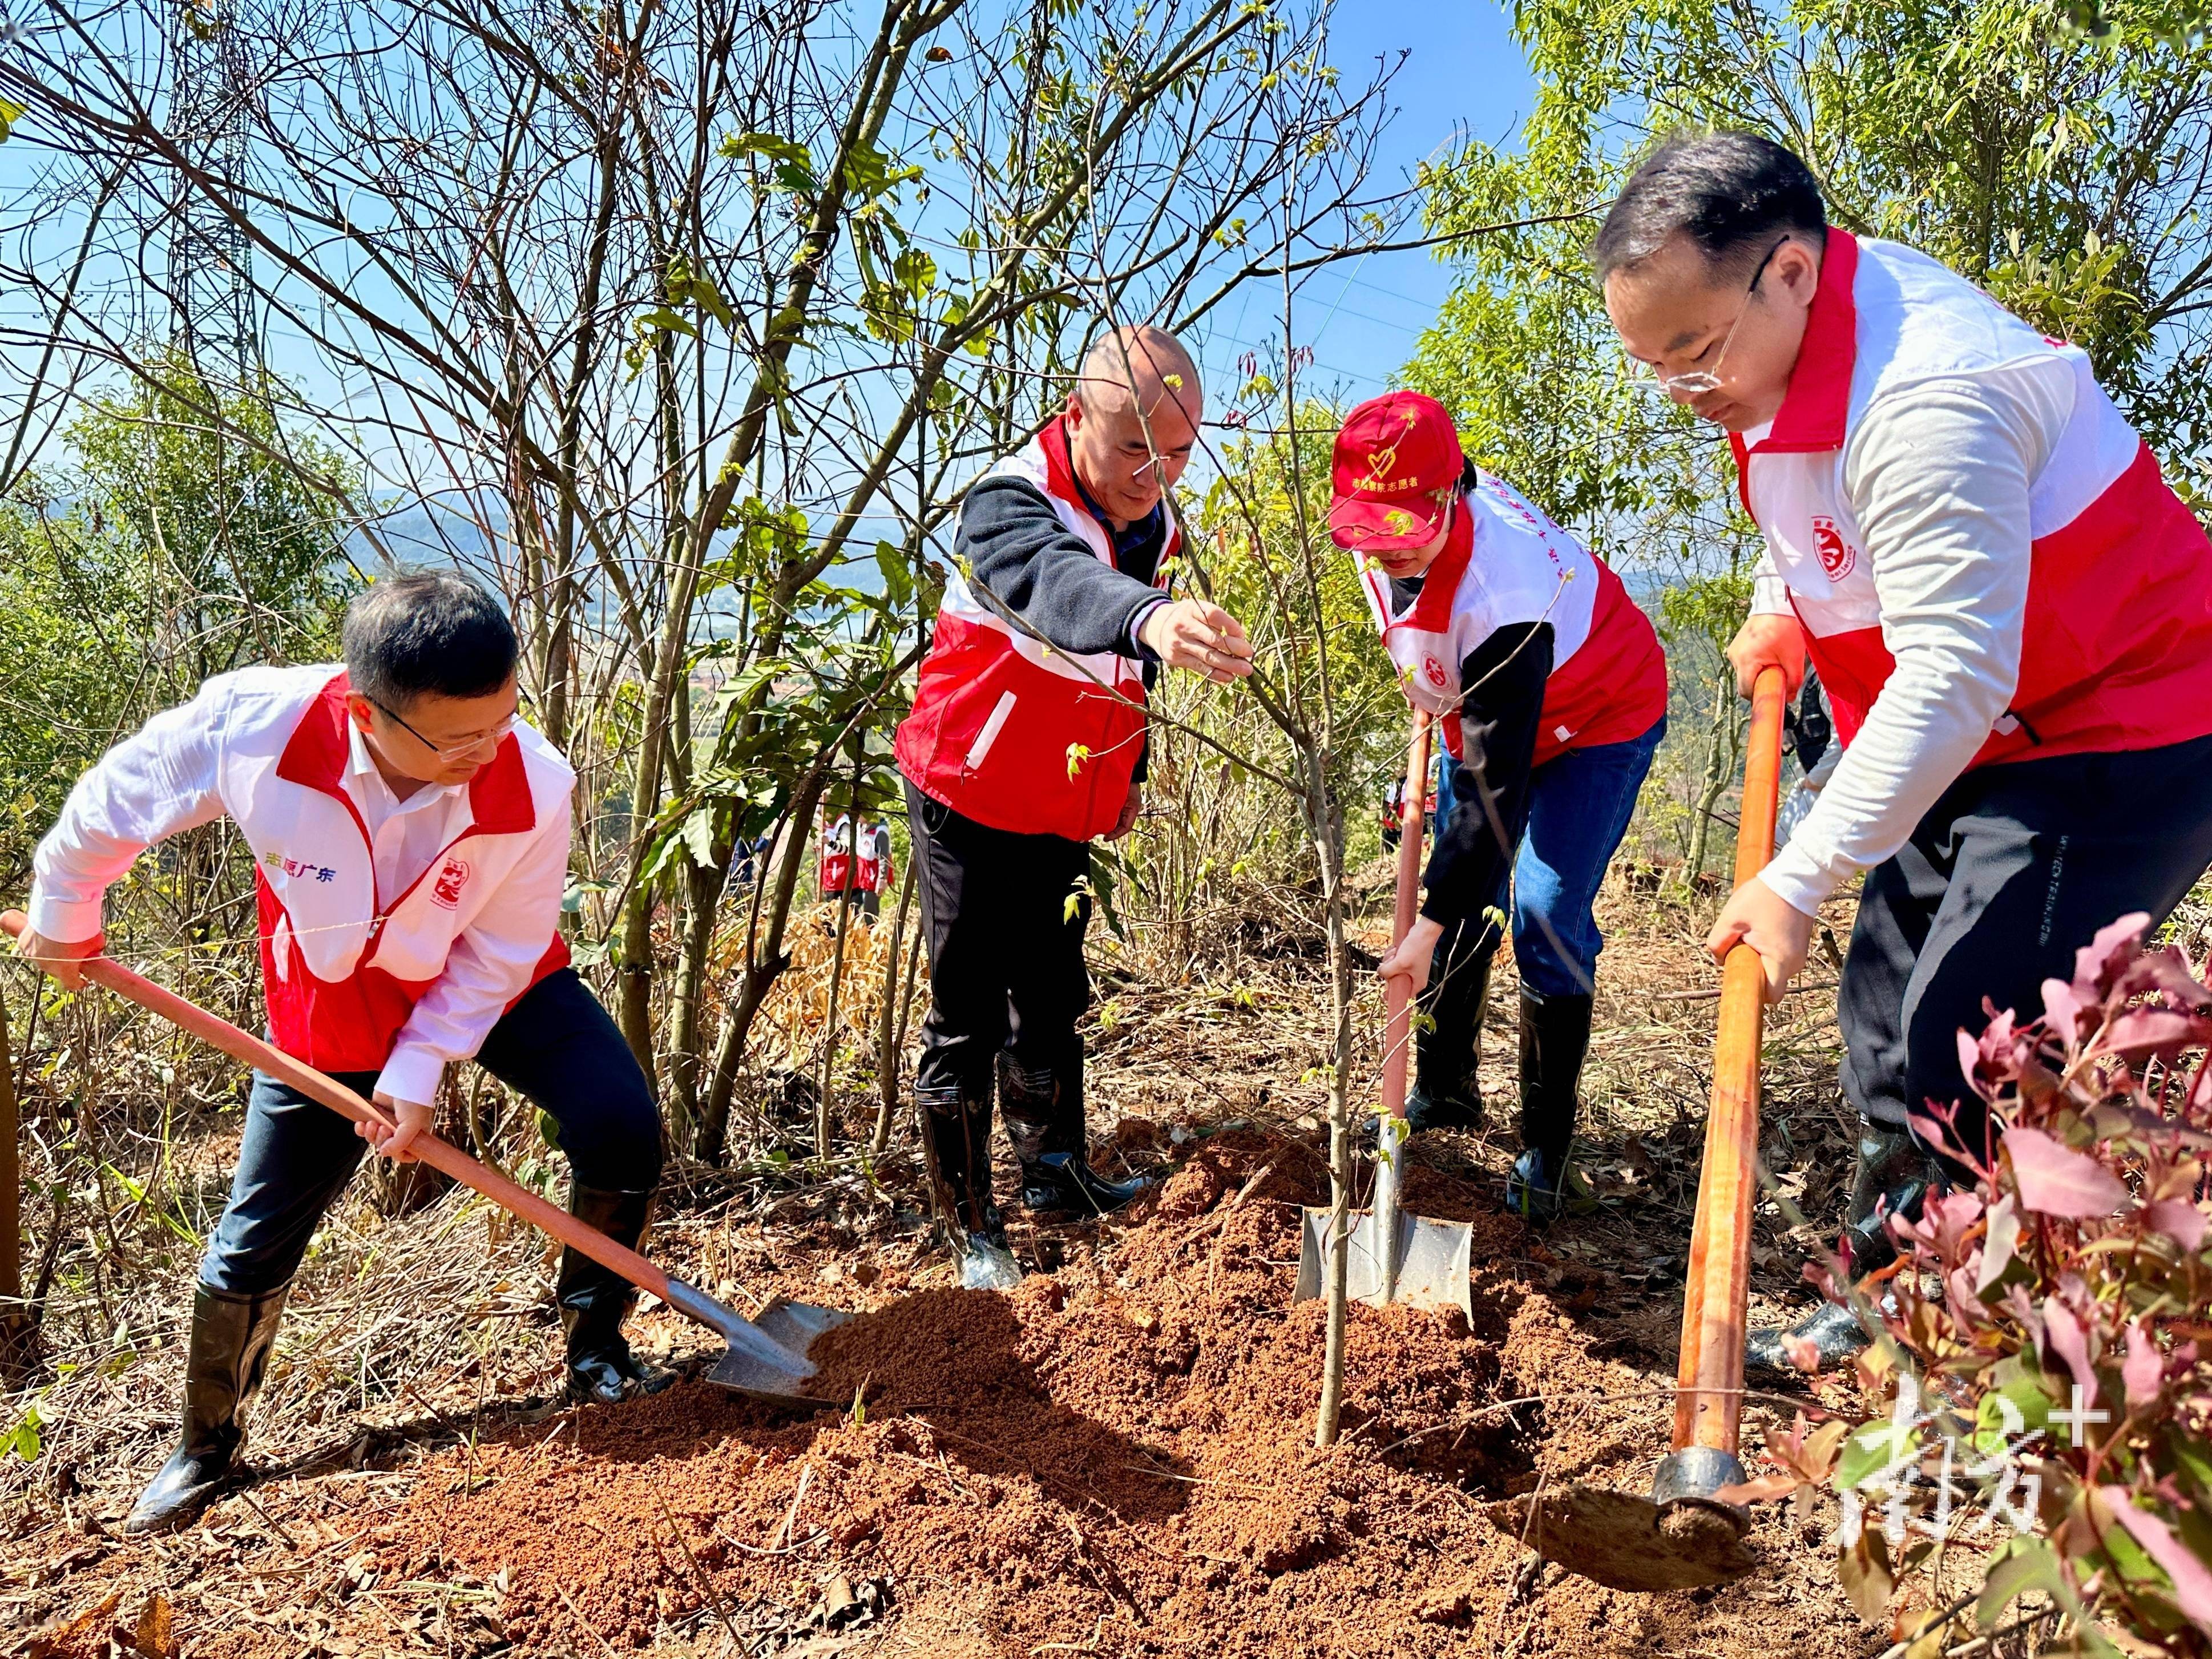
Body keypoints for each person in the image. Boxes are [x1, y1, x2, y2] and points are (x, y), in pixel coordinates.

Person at [1596, 131, 2212, 1370]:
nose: (1685, 387)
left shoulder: (1931, 394)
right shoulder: (1776, 350)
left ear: (1787, 272)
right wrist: (1783, 598)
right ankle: (1896, 1301)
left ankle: (2000, 1341)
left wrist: (1795, 874)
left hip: (2118, 726)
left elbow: (1955, 668)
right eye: (1652, 365)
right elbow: (1817, 506)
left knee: (1973, 1035)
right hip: (1983, 723)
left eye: (1694, 351)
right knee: (1884, 1016)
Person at [14, 572, 669, 1531]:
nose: (487, 752)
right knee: (259, 1227)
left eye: (502, 721)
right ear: (369, 711)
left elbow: (499, 952)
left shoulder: (536, 780)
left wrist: (419, 1072)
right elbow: (122, 798)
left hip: (499, 973)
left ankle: (597, 1348)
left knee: (621, 1124)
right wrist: (66, 907)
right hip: (333, 992)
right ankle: (205, 1445)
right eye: (457, 739)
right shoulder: (258, 729)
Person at [893, 324, 1254, 1286]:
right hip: (969, 787)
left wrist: (1127, 777)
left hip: (1066, 791)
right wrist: (1150, 614)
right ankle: (971, 1225)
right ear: (1075, 415)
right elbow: (1061, 589)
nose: (1156, 473)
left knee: (1052, 996)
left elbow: (1122, 673)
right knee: (966, 1011)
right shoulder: (1007, 504)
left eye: (1178, 452)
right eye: (1135, 446)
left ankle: (1056, 1173)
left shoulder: (1157, 521)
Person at [1335, 391, 1669, 1217]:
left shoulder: (1504, 594)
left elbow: (1493, 792)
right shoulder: (1383, 532)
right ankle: (1447, 1091)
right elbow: (1431, 657)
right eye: (1373, 535)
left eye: (1406, 535)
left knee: (1543, 912)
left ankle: (1547, 1152)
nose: (1386, 555)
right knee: (1464, 896)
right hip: (1486, 712)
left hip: (1600, 712)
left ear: (1452, 495)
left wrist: (1425, 922)